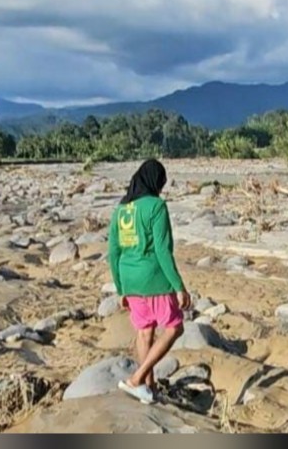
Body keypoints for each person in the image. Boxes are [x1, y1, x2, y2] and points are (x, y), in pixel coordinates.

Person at [107, 158, 190, 405]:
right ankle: (137, 379)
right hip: (152, 278)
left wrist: (120, 287)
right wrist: (178, 286)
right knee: (175, 327)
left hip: (129, 280)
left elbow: (113, 251)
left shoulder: (121, 210)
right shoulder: (156, 206)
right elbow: (163, 250)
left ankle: (148, 389)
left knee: (145, 333)